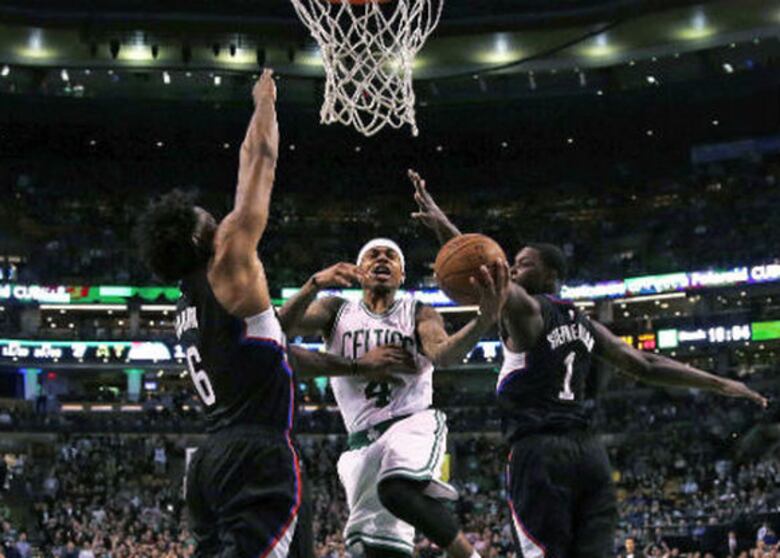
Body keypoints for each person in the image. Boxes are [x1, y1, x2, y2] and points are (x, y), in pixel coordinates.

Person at [408, 169, 768, 558]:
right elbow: (645, 364)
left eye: (523, 263)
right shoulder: (586, 324)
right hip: (589, 454)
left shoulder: (528, 311)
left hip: (540, 453)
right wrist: (721, 383)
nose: (512, 269)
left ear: (552, 274)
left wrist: (443, 224)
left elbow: (477, 263)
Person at [137, 70, 414, 558]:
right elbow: (257, 162)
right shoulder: (227, 264)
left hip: (212, 459)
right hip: (256, 455)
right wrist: (264, 102)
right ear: (203, 239)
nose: (217, 217)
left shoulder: (190, 305)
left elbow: (276, 350)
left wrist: (346, 349)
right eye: (207, 217)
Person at [279, 238, 508, 558]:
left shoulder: (418, 311)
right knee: (374, 548)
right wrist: (314, 284)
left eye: (391, 256)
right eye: (373, 255)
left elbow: (443, 355)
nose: (382, 259)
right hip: (360, 443)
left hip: (410, 424)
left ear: (402, 276)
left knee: (396, 487)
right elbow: (276, 331)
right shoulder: (335, 310)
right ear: (359, 271)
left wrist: (483, 319)